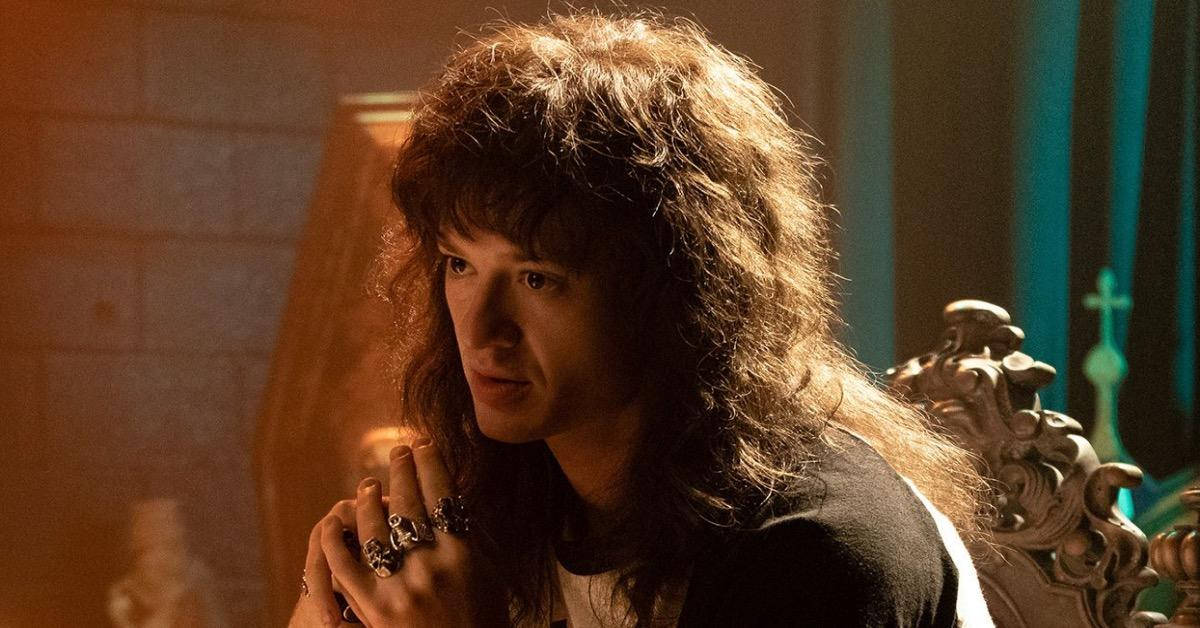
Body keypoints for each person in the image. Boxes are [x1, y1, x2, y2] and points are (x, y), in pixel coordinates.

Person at [290, 12, 993, 628]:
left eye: (537, 278)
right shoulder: (510, 493)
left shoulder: (818, 552)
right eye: (459, 264)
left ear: (677, 291)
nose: (481, 332)